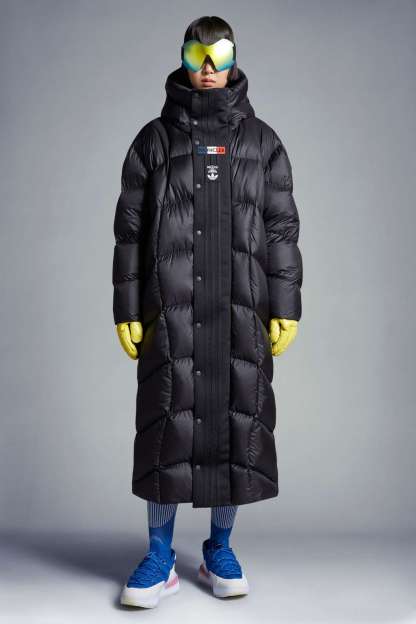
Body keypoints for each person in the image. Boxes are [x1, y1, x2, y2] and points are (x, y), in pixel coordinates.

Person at [112, 15, 303, 608]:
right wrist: (126, 307)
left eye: (220, 54)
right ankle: (159, 555)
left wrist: (287, 304)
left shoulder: (262, 142)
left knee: (233, 427)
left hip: (243, 310)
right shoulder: (152, 141)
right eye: (198, 55)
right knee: (167, 427)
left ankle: (220, 547)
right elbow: (129, 232)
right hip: (169, 314)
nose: (209, 67)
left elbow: (281, 228)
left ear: (235, 58)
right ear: (184, 58)